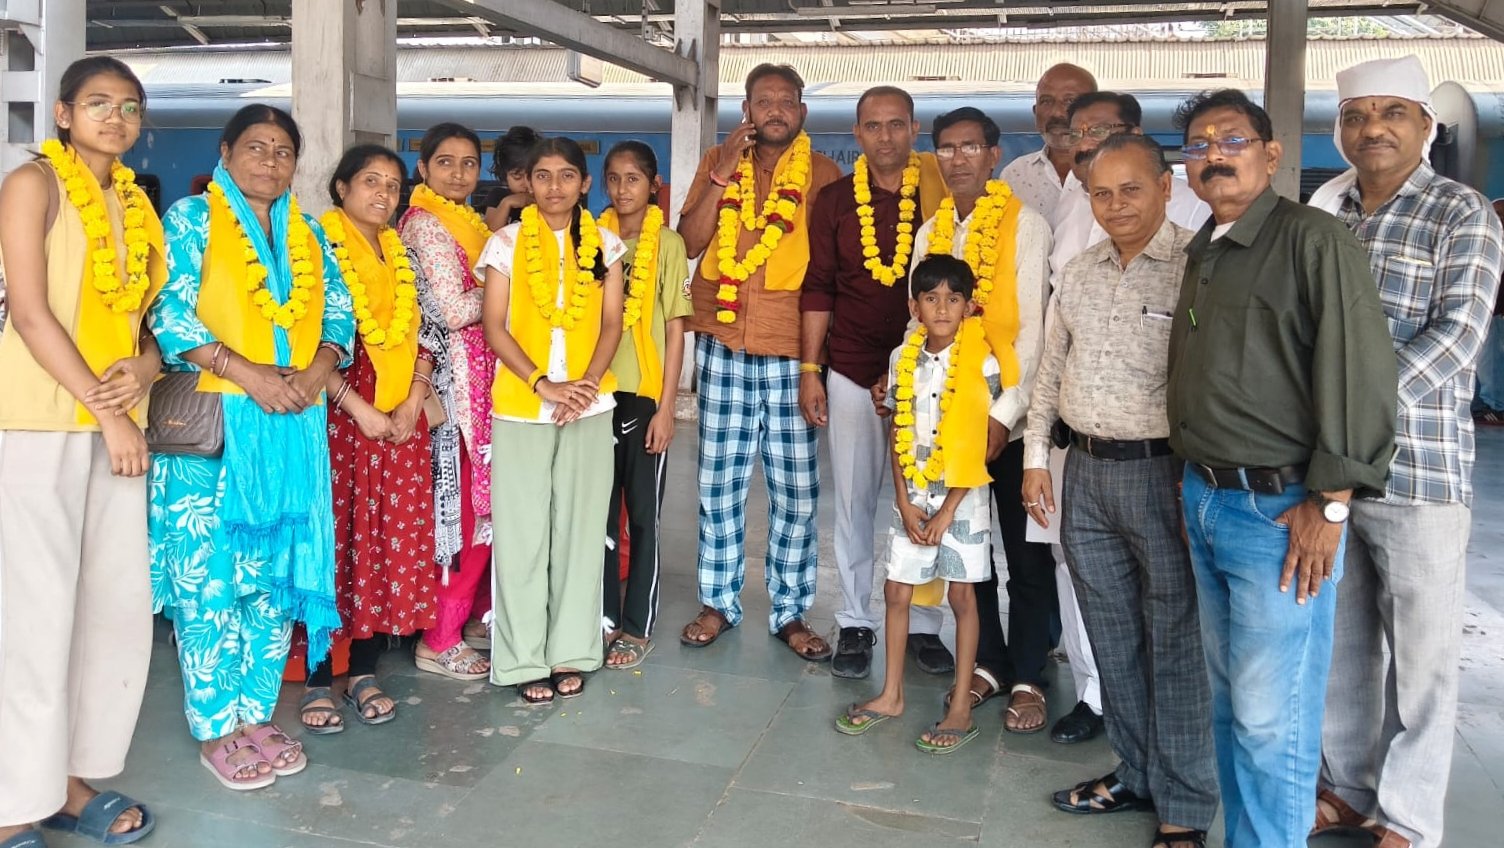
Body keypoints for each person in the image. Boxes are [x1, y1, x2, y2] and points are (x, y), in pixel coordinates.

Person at [1168, 88, 1398, 848]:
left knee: (1275, 721)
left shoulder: (1312, 241)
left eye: (1231, 138)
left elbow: (1360, 372)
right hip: (1206, 498)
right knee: (1233, 707)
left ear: (1271, 155)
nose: (1213, 154)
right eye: (1199, 144)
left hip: (1279, 512)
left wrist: (1330, 502)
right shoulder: (1207, 243)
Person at [1308, 56, 1504, 848]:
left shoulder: (1462, 214)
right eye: (1357, 114)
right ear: (1341, 130)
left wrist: (1350, 420)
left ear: (1425, 126)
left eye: (1393, 112)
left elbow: (1457, 338)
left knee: (1421, 658)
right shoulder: (1327, 214)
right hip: (1327, 469)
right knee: (1345, 645)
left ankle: (1412, 818)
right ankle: (1351, 788)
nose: (1373, 128)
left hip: (1417, 471)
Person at [148, 103, 355, 791]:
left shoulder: (308, 232)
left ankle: (257, 716)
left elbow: (338, 312)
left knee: (273, 582)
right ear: (227, 152)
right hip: (216, 425)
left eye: (283, 151)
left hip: (294, 425)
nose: (270, 162)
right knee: (209, 586)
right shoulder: (191, 219)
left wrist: (319, 372)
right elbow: (169, 311)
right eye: (256, 148)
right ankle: (217, 730)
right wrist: (249, 374)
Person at [1023, 134, 1218, 848]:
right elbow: (1049, 374)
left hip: (1163, 475)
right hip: (1088, 477)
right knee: (1112, 637)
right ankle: (1135, 772)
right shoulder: (1079, 272)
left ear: (1166, 187)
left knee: (1174, 642)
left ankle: (1186, 805)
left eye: (1130, 190)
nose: (1116, 206)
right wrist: (1036, 459)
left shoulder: (1197, 270)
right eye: (1102, 193)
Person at [0, 56, 166, 847]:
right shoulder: (33, 183)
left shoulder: (136, 201)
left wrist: (148, 367)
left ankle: (66, 780)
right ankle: (9, 805)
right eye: (97, 103)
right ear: (63, 113)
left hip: (116, 428)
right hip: (38, 426)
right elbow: (30, 315)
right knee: (32, 620)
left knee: (110, 615)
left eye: (129, 107)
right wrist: (110, 417)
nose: (115, 118)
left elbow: (146, 326)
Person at [674, 63, 842, 659]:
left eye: (786, 101)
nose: (775, 110)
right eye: (762, 100)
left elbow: (829, 274)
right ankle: (719, 600)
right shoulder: (719, 161)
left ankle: (790, 612)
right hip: (721, 342)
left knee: (795, 492)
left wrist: (815, 367)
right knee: (718, 486)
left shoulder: (824, 176)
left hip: (793, 349)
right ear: (746, 109)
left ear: (802, 112)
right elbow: (689, 242)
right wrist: (720, 176)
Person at [907, 106, 1055, 735]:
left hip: (1008, 422)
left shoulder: (1028, 225)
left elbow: (1034, 334)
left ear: (995, 155)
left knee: (1024, 556)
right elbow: (917, 326)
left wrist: (1002, 415)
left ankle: (1029, 676)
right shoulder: (927, 234)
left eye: (971, 146)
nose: (959, 158)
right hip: (946, 425)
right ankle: (988, 663)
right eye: (947, 148)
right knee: (969, 552)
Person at [800, 85, 953, 680]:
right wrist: (812, 370)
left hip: (930, 370)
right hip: (851, 365)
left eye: (896, 124)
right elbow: (819, 287)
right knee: (856, 500)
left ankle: (923, 624)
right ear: (857, 134)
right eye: (873, 125)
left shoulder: (941, 193)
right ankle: (857, 621)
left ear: (913, 129)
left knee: (924, 498)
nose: (885, 136)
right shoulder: (836, 200)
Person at [298, 144, 441, 734]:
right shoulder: (317, 247)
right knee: (331, 541)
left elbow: (424, 335)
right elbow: (305, 343)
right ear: (340, 189)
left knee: (383, 545)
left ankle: (361, 670)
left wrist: (411, 400)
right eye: (369, 182)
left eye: (393, 184)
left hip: (399, 424)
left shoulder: (399, 253)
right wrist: (356, 406)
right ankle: (315, 678)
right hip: (338, 419)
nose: (383, 194)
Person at [478, 136, 625, 704]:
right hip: (521, 406)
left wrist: (582, 387)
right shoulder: (506, 244)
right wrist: (545, 385)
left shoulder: (605, 246)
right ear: (527, 183)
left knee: (580, 534)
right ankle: (519, 661)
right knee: (522, 536)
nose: (555, 186)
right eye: (543, 175)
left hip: (591, 406)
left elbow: (612, 325)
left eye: (567, 175)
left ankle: (572, 651)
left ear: (584, 185)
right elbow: (495, 325)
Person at [834, 255, 1001, 753]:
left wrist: (948, 510)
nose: (942, 308)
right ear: (915, 306)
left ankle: (961, 706)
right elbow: (896, 431)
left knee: (962, 597)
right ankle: (891, 694)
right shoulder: (900, 358)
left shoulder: (982, 363)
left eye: (953, 299)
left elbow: (981, 442)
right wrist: (905, 503)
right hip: (913, 496)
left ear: (970, 307)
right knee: (896, 592)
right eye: (931, 298)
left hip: (963, 498)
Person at [398, 123, 494, 681]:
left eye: (467, 163)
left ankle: (462, 620)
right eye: (446, 163)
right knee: (462, 510)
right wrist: (506, 288)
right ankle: (439, 638)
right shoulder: (429, 226)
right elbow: (455, 311)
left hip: (478, 379)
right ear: (424, 170)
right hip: (457, 387)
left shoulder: (466, 223)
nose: (458, 174)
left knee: (478, 506)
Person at [597, 141, 693, 669]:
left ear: (652, 185)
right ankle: (605, 618)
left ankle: (638, 626)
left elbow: (676, 331)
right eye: (613, 178)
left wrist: (667, 408)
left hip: (644, 395)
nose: (622, 189)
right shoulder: (594, 238)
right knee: (600, 517)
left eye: (632, 179)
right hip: (596, 394)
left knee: (644, 518)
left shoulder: (669, 245)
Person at [1000, 63, 1097, 223]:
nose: (1056, 113)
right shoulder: (1014, 175)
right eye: (1046, 101)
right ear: (1035, 111)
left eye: (1069, 101)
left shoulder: (1113, 169)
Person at [483, 125, 541, 231]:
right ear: (504, 174)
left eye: (532, 176)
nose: (526, 184)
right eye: (517, 176)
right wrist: (506, 203)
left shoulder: (545, 197)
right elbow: (488, 234)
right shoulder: (498, 195)